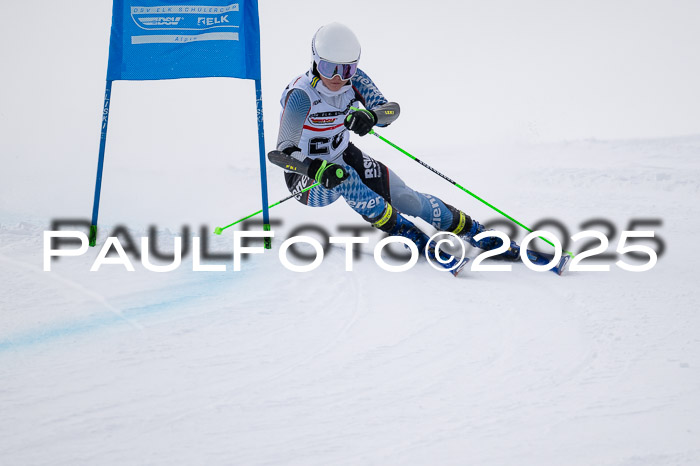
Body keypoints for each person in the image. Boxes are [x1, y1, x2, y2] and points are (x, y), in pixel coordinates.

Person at [274, 22, 519, 261]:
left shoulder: (356, 81)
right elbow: (282, 153)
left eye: (346, 69)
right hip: (305, 176)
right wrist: (315, 168)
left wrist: (371, 116)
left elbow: (391, 110)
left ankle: (478, 234)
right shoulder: (301, 95)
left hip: (343, 155)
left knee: (406, 198)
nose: (338, 78)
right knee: (343, 176)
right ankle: (408, 233)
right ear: (315, 61)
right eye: (329, 68)